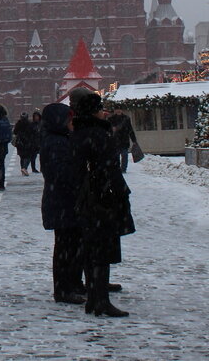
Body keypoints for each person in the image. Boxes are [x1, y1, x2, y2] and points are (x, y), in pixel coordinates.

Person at [69, 88, 134, 318]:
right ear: (92, 111)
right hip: (101, 198)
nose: (103, 112)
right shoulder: (97, 134)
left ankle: (94, 300)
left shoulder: (78, 133)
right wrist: (118, 191)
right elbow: (108, 168)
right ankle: (101, 301)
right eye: (99, 108)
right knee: (102, 250)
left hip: (87, 198)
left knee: (91, 250)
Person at [38, 102, 85, 305]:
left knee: (70, 245)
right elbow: (60, 173)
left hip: (62, 201)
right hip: (62, 201)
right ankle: (63, 289)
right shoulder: (56, 142)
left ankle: (72, 284)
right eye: (67, 118)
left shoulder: (58, 139)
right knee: (65, 248)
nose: (70, 122)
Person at [107, 106, 139, 174]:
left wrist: (134, 140)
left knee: (124, 155)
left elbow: (130, 129)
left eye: (119, 109)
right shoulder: (111, 119)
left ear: (121, 110)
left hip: (124, 140)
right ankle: (117, 168)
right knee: (116, 156)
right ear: (115, 111)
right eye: (117, 109)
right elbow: (107, 130)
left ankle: (123, 169)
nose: (118, 111)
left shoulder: (126, 119)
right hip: (115, 140)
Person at [14, 112, 36, 176]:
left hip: (20, 142)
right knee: (28, 156)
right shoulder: (29, 123)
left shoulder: (18, 123)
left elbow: (15, 132)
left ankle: (23, 169)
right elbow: (33, 132)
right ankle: (25, 168)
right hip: (28, 142)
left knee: (22, 157)